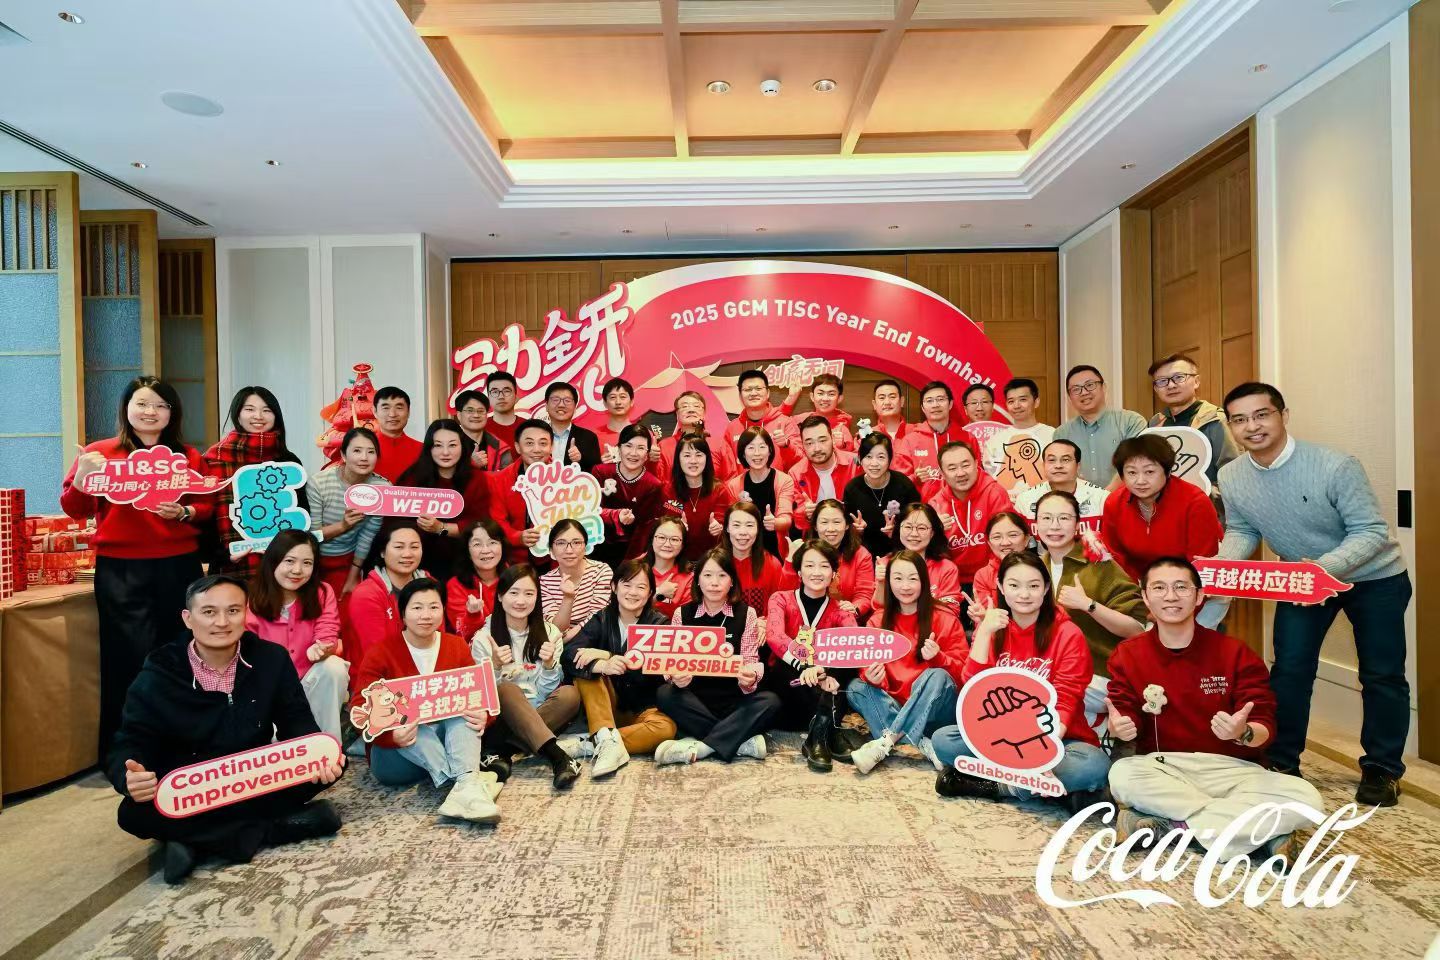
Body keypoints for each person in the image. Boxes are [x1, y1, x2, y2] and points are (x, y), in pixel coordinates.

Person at [1217, 382, 1411, 805]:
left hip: (1374, 578)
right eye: (1240, 419)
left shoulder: (1335, 465)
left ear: (1283, 416)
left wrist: (1322, 571)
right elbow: (1242, 529)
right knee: (1289, 670)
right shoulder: (1231, 475)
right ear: (1230, 426)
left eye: (1262, 415)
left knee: (1382, 674)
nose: (1252, 426)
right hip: (1301, 580)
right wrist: (1219, 569)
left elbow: (1371, 531)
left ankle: (1382, 769)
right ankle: (1282, 761)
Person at [110, 575, 345, 884]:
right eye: (209, 612)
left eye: (233, 611)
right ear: (188, 618)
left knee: (335, 763)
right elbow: (130, 741)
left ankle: (193, 840)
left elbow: (297, 723)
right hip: (193, 787)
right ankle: (272, 829)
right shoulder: (160, 671)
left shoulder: (271, 659)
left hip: (252, 777)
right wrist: (128, 777)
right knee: (132, 813)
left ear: (245, 614)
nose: (222, 622)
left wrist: (317, 755)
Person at [1106, 557, 1325, 861]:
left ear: (1199, 596)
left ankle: (1176, 825)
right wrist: (1120, 727)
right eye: (1159, 588)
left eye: (1181, 587)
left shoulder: (1234, 652)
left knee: (1307, 798)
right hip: (1165, 766)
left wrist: (1243, 732)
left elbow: (1263, 723)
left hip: (1234, 768)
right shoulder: (1128, 654)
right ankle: (1259, 832)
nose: (1170, 596)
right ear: (1145, 597)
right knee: (1122, 774)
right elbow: (1124, 711)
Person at [63, 375, 213, 755]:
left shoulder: (188, 456)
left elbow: (206, 506)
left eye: (161, 405)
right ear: (126, 408)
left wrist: (184, 512)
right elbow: (74, 509)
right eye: (142, 404)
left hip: (179, 566)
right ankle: (125, 751)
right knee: (126, 658)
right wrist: (82, 476)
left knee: (183, 652)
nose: (151, 412)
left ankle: (182, 745)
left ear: (172, 413)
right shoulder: (99, 453)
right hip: (121, 569)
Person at [932, 553, 1110, 804]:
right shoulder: (993, 628)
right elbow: (973, 691)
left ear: (1046, 588)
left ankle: (996, 787)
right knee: (944, 741)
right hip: (1002, 737)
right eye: (1014, 585)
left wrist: (1041, 755)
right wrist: (984, 632)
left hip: (1058, 737)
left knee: (1093, 765)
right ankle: (1049, 789)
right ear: (1001, 587)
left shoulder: (1068, 633)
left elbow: (1066, 700)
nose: (1024, 594)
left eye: (1033, 586)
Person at [352, 578, 501, 822]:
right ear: (403, 613)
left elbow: (479, 693)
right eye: (417, 607)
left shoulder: (456, 646)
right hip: (397, 756)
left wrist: (485, 715)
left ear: (443, 610)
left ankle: (464, 788)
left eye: (434, 607)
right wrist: (391, 736)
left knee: (463, 708)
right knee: (409, 716)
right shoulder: (381, 652)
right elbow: (359, 709)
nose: (426, 615)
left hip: (448, 744)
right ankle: (468, 782)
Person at [846, 551, 969, 774]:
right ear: (888, 582)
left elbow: (964, 675)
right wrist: (873, 678)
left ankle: (888, 741)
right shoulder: (877, 620)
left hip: (937, 712)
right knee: (856, 687)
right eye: (898, 578)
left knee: (936, 675)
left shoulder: (945, 617)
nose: (905, 586)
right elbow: (867, 668)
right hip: (897, 705)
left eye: (913, 578)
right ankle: (922, 743)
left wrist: (939, 658)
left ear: (924, 581)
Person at [653, 549, 779, 765]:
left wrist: (749, 678)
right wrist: (675, 676)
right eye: (708, 575)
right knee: (665, 693)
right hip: (695, 700)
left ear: (732, 581)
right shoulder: (682, 614)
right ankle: (739, 742)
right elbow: (671, 662)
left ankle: (703, 747)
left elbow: (750, 660)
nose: (714, 583)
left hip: (733, 700)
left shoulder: (746, 613)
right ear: (698, 580)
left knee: (770, 701)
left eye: (722, 575)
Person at [559, 560, 678, 776]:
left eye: (641, 587)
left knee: (666, 729)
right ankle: (605, 736)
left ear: (651, 592)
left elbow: (652, 671)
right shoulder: (602, 618)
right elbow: (568, 654)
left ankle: (594, 743)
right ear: (614, 587)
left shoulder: (659, 624)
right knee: (587, 669)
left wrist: (608, 656)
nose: (633, 592)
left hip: (643, 707)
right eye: (627, 584)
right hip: (606, 705)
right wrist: (601, 664)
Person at [470, 565, 584, 788]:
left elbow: (545, 692)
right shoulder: (484, 637)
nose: (521, 601)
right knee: (506, 689)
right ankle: (558, 757)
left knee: (570, 695)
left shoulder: (550, 633)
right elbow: (480, 696)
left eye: (529, 593)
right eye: (513, 593)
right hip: (500, 720)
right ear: (500, 596)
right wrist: (494, 666)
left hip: (539, 712)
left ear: (537, 598)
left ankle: (502, 751)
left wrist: (549, 665)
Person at [764, 539, 859, 771]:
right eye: (809, 565)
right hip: (789, 689)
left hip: (823, 687)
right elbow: (775, 636)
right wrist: (806, 665)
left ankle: (819, 735)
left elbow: (853, 644)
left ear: (833, 573)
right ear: (798, 571)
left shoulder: (840, 610)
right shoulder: (781, 599)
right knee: (784, 665)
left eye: (824, 566)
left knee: (847, 666)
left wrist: (824, 671)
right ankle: (832, 731)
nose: (816, 572)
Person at [245, 530, 349, 740]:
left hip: (309, 680)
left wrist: (322, 647)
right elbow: (247, 645)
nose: (297, 570)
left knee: (334, 667)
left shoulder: (322, 592)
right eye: (289, 561)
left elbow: (328, 629)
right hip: (269, 688)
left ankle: (329, 747)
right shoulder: (251, 596)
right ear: (273, 560)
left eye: (307, 563)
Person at [1101, 436, 1223, 611]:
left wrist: (1170, 608)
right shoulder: (1114, 503)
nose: (1140, 481)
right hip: (1142, 591)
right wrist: (1138, 603)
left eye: (1149, 472)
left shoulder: (1195, 502)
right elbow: (1117, 559)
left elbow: (1201, 567)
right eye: (1132, 473)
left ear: (1167, 471)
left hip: (1195, 591)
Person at [1033, 490, 1148, 668]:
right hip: (1049, 670)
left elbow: (1138, 629)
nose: (1054, 526)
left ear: (1077, 525)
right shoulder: (1035, 568)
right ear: (1036, 525)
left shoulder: (1100, 564)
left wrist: (1089, 605)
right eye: (1046, 518)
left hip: (1100, 673)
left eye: (1064, 518)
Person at [202, 386, 308, 572]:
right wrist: (223, 555)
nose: (258, 416)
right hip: (229, 565)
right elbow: (205, 516)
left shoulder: (288, 460)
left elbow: (301, 513)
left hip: (282, 566)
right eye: (249, 409)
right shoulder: (213, 459)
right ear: (237, 414)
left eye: (267, 410)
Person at [398, 418, 492, 583]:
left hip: (465, 561)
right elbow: (397, 521)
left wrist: (441, 528)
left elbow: (480, 524)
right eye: (438, 445)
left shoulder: (476, 479)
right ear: (429, 448)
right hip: (417, 562)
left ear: (462, 447)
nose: (446, 452)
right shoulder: (413, 477)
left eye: (452, 445)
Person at [308, 427, 390, 597]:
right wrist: (343, 525)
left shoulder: (381, 488)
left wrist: (353, 577)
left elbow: (367, 535)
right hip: (312, 558)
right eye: (357, 451)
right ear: (343, 455)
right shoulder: (319, 483)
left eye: (371, 452)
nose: (364, 458)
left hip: (349, 560)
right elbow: (312, 536)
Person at [342, 520, 427, 671]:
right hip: (378, 677)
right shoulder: (366, 594)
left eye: (414, 547)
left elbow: (439, 639)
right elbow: (376, 652)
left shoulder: (431, 586)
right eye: (399, 547)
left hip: (426, 673)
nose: (407, 554)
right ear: (382, 552)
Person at [1148, 353, 1239, 491]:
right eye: (1162, 381)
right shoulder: (1155, 424)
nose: (1170, 385)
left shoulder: (1216, 420)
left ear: (1196, 381)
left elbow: (1234, 474)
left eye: (1179, 377)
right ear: (1155, 389)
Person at [930, 440, 1011, 591]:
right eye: (952, 468)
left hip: (992, 576)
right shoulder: (936, 504)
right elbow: (930, 555)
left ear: (976, 464)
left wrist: (987, 579)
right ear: (942, 473)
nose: (960, 473)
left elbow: (1008, 543)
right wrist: (934, 532)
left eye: (965, 465)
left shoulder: (994, 493)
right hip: (953, 580)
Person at [1053, 365, 1147, 489]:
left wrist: (1104, 496)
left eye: (1090, 385)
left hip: (1126, 498)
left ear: (1104, 387)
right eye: (1076, 389)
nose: (1084, 392)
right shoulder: (1061, 433)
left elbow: (1137, 463)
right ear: (1069, 397)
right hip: (1080, 499)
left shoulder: (1131, 421)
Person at [591, 423, 664, 567]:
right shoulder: (600, 472)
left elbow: (644, 528)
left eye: (641, 448)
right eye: (628, 446)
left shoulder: (653, 485)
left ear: (647, 454)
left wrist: (629, 563)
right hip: (595, 544)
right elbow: (590, 511)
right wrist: (615, 515)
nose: (633, 453)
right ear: (619, 448)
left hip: (630, 551)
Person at [843, 432, 921, 560]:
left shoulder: (904, 485)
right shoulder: (852, 489)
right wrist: (856, 531)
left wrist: (897, 531)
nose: (874, 463)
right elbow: (846, 529)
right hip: (864, 557)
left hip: (900, 556)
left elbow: (918, 521)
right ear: (860, 459)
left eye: (881, 457)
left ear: (890, 459)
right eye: (868, 457)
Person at [489, 418, 556, 564]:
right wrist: (517, 536)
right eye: (529, 443)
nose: (537, 449)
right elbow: (497, 521)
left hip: (555, 559)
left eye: (543, 443)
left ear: (552, 447)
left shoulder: (564, 478)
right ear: (518, 447)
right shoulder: (500, 480)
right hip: (514, 561)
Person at [874, 503, 962, 608]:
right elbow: (879, 609)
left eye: (922, 528)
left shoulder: (947, 568)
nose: (914, 534)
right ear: (899, 529)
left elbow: (951, 609)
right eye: (908, 527)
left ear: (932, 533)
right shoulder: (884, 563)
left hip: (933, 619)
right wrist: (881, 583)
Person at [663, 433, 734, 562]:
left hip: (713, 561)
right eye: (687, 455)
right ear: (678, 459)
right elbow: (666, 524)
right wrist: (676, 527)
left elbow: (726, 524)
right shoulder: (669, 490)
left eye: (699, 455)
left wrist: (719, 527)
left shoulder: (719, 490)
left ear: (707, 459)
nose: (693, 461)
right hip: (678, 560)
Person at [725, 425, 795, 556]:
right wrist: (739, 507)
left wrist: (775, 523)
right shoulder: (734, 485)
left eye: (762, 447)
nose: (757, 453)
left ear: (770, 451)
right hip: (744, 551)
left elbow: (786, 519)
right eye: (751, 448)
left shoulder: (784, 480)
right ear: (743, 453)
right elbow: (730, 523)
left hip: (775, 552)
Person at [539, 518, 614, 639]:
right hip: (558, 642)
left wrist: (566, 640)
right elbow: (556, 629)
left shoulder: (601, 571)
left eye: (576, 542)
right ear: (551, 549)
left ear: (585, 547)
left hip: (595, 639)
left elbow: (597, 617)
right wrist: (568, 598)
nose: (569, 550)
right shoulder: (544, 582)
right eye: (561, 543)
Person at [803, 499, 876, 623]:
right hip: (809, 620)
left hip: (847, 622)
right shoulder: (805, 553)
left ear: (847, 525)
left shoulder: (861, 555)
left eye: (836, 522)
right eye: (824, 522)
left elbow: (864, 594)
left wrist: (854, 607)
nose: (831, 529)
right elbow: (789, 593)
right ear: (815, 526)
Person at [895, 381, 970, 498]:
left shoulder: (967, 437)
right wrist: (915, 477)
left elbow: (978, 475)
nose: (935, 405)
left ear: (950, 404)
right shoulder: (910, 440)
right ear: (923, 408)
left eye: (940, 399)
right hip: (923, 507)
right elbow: (898, 483)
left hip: (962, 505)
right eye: (929, 401)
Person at [788, 414, 859, 536]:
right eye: (809, 443)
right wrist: (806, 513)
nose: (817, 448)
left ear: (832, 439)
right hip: (816, 539)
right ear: (803, 446)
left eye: (822, 440)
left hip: (853, 535)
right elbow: (798, 522)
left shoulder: (855, 463)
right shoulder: (795, 473)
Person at [651, 390, 741, 482]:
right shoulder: (664, 446)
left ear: (704, 414)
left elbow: (731, 480)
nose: (691, 410)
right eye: (685, 406)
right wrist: (651, 463)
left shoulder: (719, 445)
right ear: (677, 414)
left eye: (696, 406)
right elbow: (657, 482)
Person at [1012, 439, 1107, 523]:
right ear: (1043, 465)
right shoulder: (1025, 500)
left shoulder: (1101, 498)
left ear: (1078, 466)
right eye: (1051, 460)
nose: (1058, 466)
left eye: (1065, 460)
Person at [726, 369, 803, 471]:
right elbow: (727, 468)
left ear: (768, 393)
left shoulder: (785, 422)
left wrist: (786, 445)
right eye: (747, 390)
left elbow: (801, 461)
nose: (753, 393)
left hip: (779, 481)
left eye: (758, 388)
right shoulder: (732, 428)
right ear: (740, 396)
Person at [445, 519, 508, 638]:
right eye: (477, 544)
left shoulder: (516, 579)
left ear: (502, 546)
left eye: (492, 542)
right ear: (467, 551)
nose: (486, 550)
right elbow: (463, 633)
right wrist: (472, 615)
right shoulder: (456, 585)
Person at [982, 378, 1055, 477]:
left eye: (1023, 400)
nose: (1016, 406)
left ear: (1036, 402)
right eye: (1011, 401)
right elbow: (991, 479)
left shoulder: (1053, 435)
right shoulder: (994, 441)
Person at [722, 502, 786, 613]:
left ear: (758, 529)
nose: (743, 532)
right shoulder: (715, 563)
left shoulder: (772, 564)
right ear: (727, 528)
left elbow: (780, 607)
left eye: (749, 525)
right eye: (736, 525)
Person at [969, 510, 1031, 614]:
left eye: (1013, 535)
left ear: (1026, 539)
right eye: (997, 537)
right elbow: (987, 615)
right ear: (989, 543)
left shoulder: (1040, 568)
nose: (1005, 543)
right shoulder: (983, 576)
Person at [779, 373, 855, 451]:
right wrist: (791, 397)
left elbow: (850, 453)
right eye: (820, 393)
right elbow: (777, 421)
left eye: (831, 394)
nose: (825, 399)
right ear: (812, 397)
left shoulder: (841, 428)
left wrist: (841, 446)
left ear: (839, 399)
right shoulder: (800, 420)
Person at [546, 381, 602, 471]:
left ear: (575, 407)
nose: (561, 405)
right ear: (546, 406)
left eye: (567, 401)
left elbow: (596, 472)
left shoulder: (589, 438)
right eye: (555, 400)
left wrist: (580, 460)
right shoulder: (536, 435)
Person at [645, 517, 694, 618]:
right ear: (652, 539)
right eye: (661, 538)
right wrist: (658, 594)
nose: (667, 544)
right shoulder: (634, 569)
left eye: (674, 539)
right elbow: (626, 608)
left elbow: (685, 618)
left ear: (682, 545)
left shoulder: (689, 579)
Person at [372, 385, 423, 482]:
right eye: (385, 408)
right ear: (375, 411)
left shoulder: (423, 450)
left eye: (399, 408)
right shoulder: (363, 449)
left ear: (408, 412)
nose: (392, 414)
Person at [454, 389, 513, 472]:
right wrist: (469, 464)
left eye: (481, 411)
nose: (476, 415)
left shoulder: (500, 447)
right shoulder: (447, 444)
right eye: (470, 411)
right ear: (459, 415)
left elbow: (508, 477)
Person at [593, 376, 638, 455]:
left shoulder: (644, 434)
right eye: (613, 397)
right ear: (605, 403)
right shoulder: (594, 436)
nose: (618, 402)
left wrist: (652, 459)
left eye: (622, 397)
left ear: (631, 401)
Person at [484, 371, 522, 451]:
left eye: (506, 391)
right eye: (495, 392)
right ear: (488, 397)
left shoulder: (528, 426)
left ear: (516, 396)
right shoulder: (480, 428)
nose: (501, 396)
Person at [870, 379, 912, 447]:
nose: (887, 402)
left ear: (902, 401)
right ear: (874, 404)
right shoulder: (865, 436)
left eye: (892, 397)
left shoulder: (917, 432)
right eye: (882, 398)